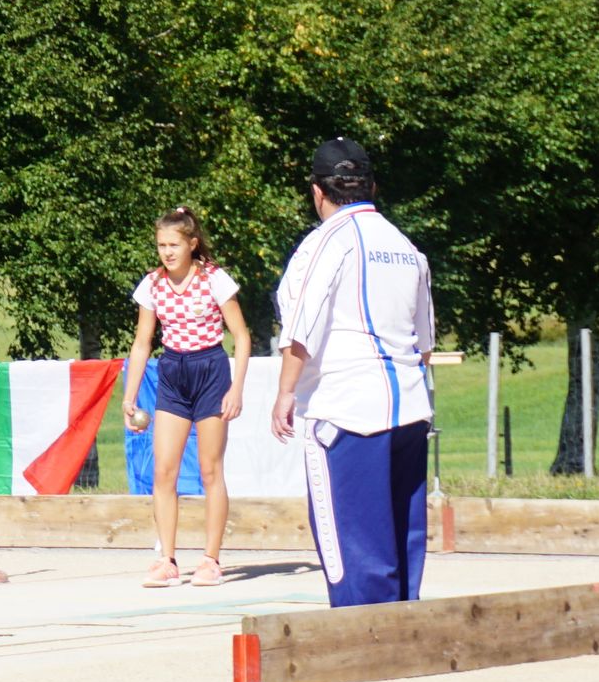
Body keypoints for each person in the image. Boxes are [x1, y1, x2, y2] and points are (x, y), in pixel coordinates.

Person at [270, 137, 436, 607]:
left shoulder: (326, 243)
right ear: (371, 186)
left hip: (347, 411)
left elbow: (302, 326)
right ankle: (405, 628)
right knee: (402, 540)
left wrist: (285, 393)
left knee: (354, 547)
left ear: (317, 191)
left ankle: (363, 634)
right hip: (409, 408)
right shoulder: (405, 246)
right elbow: (425, 340)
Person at [119, 206, 253, 588]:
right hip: (173, 374)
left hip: (210, 371)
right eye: (161, 245)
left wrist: (236, 388)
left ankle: (211, 560)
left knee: (210, 469)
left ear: (192, 244)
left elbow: (241, 336)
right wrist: (130, 396)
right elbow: (142, 342)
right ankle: (167, 559)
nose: (167, 252)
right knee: (164, 471)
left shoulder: (214, 279)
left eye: (174, 245)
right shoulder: (152, 284)